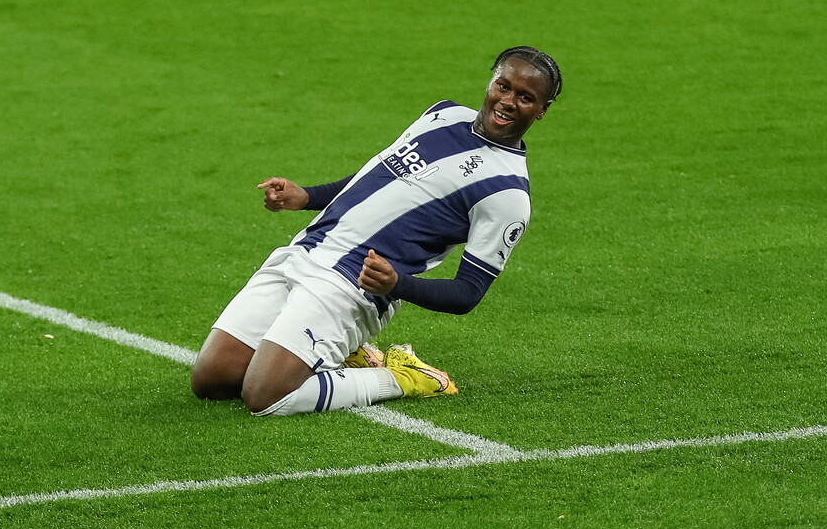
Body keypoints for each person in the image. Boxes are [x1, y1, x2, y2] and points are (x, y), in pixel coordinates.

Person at [191, 46, 562, 416]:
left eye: (526, 98)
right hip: (305, 250)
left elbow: (467, 293)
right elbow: (378, 177)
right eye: (503, 85)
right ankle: (347, 355)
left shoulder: (508, 194)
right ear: (491, 80)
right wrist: (307, 196)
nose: (508, 101)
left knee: (265, 397)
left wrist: (396, 284)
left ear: (542, 110)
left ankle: (403, 377)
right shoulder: (444, 114)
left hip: (351, 287)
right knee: (212, 380)